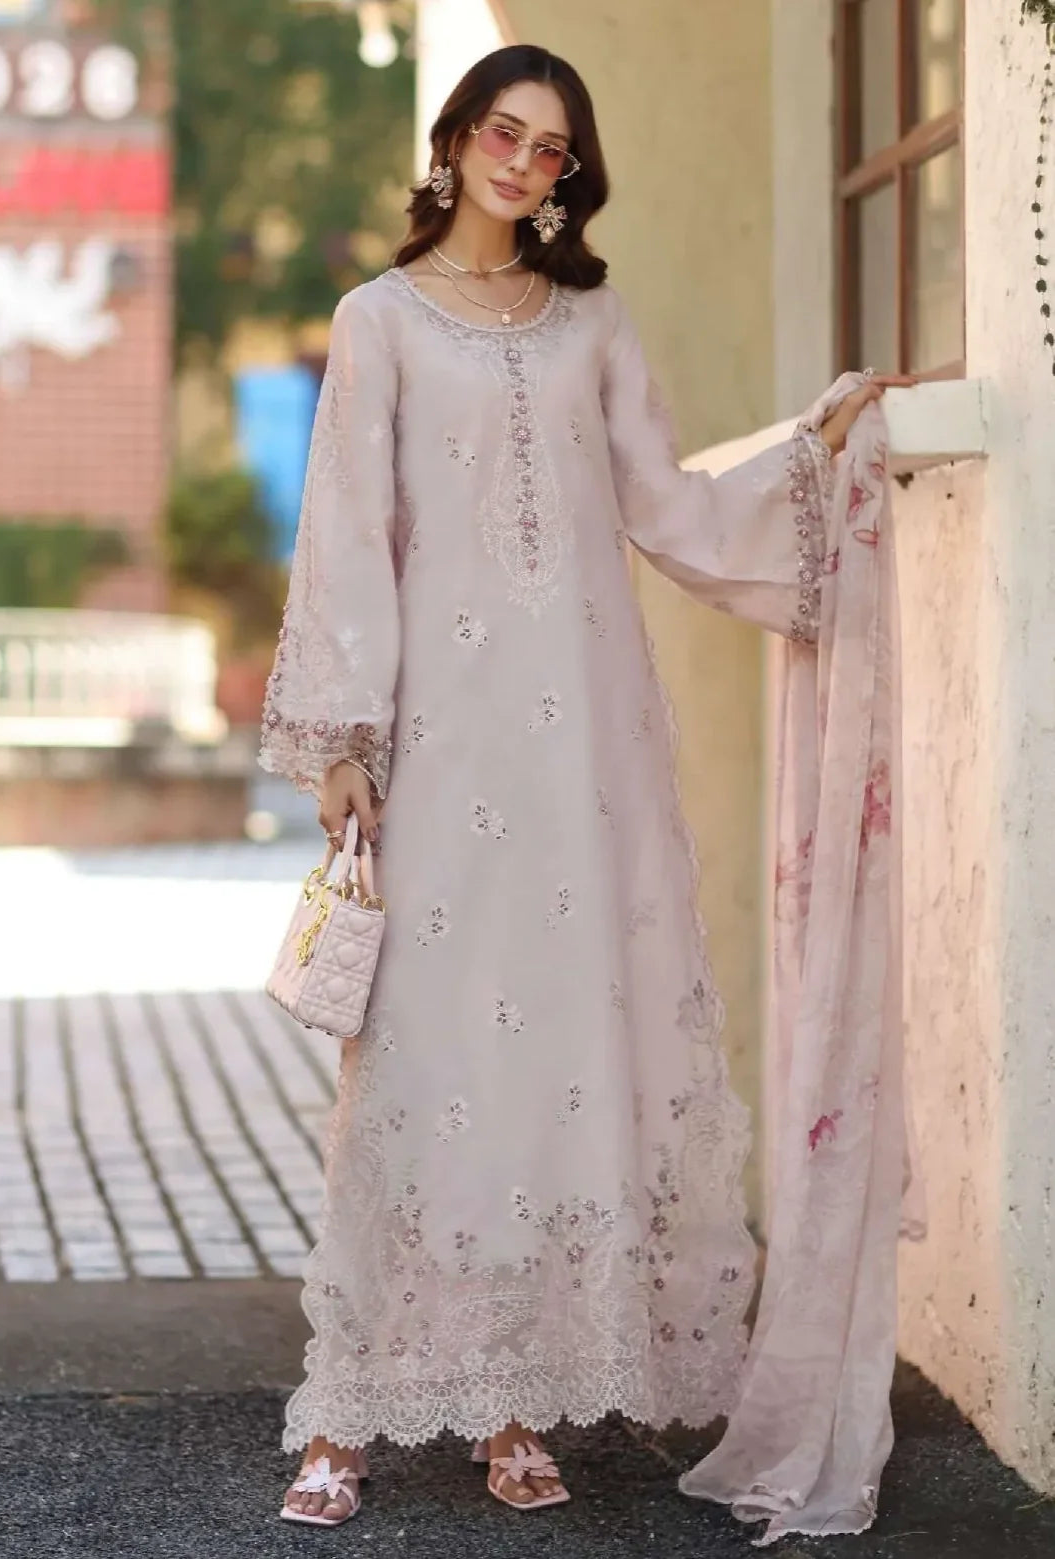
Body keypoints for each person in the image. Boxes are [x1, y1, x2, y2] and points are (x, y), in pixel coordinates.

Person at [261, 42, 905, 1529]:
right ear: (454, 141)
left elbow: (666, 504)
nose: (523, 163)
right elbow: (347, 530)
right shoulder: (377, 321)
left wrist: (813, 457)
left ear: (568, 175)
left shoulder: (590, 324)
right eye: (505, 132)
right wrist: (345, 740)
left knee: (552, 1044)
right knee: (422, 1049)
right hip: (442, 741)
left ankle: (512, 1402)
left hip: (583, 753)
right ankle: (348, 1409)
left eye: (551, 148)